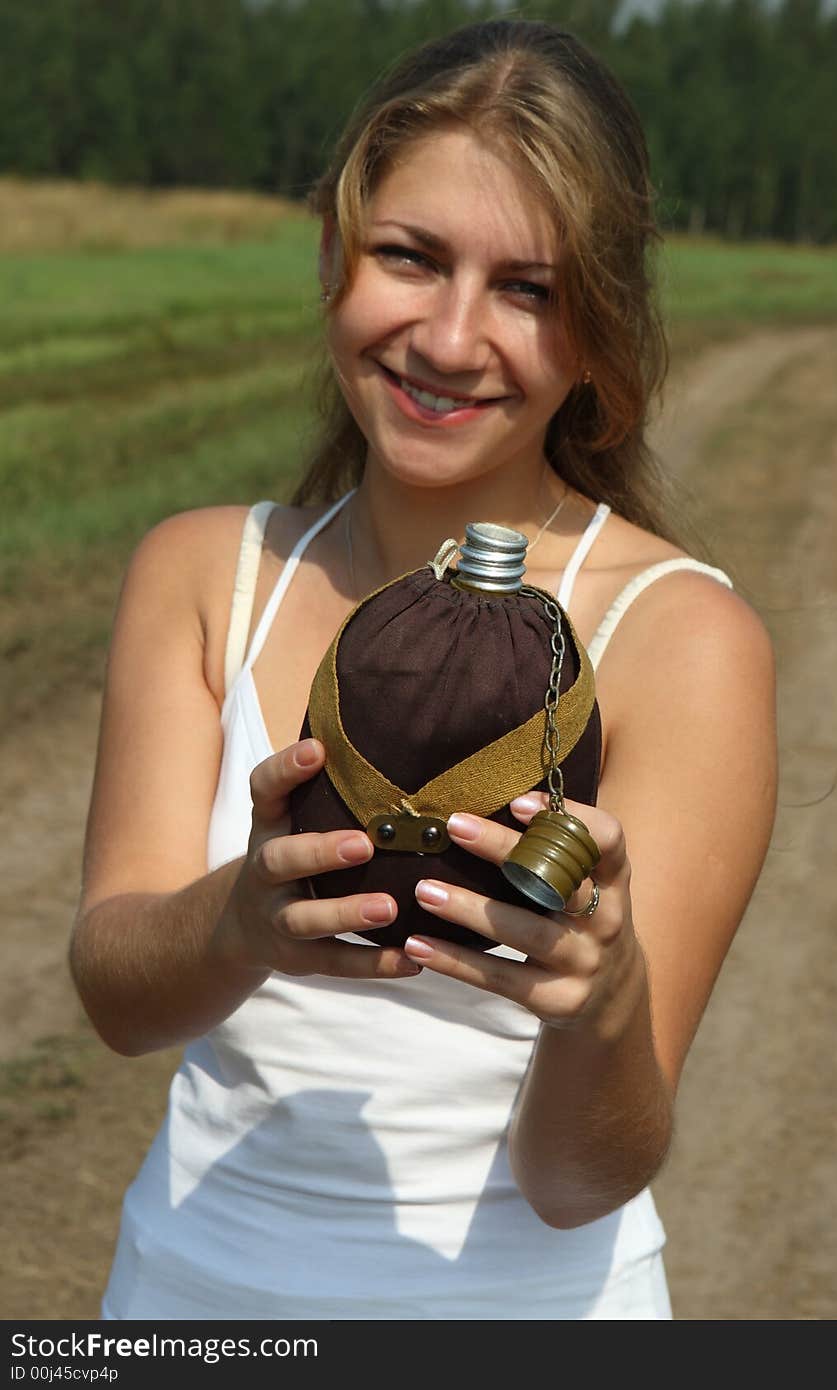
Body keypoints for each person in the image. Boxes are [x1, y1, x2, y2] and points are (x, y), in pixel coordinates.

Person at [70, 18, 777, 1320]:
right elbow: (119, 995)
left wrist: (600, 1005)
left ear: (599, 331)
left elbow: (580, 1177)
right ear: (337, 259)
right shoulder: (205, 575)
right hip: (186, 1297)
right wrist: (236, 921)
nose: (451, 339)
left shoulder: (683, 639)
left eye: (529, 286)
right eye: (410, 257)